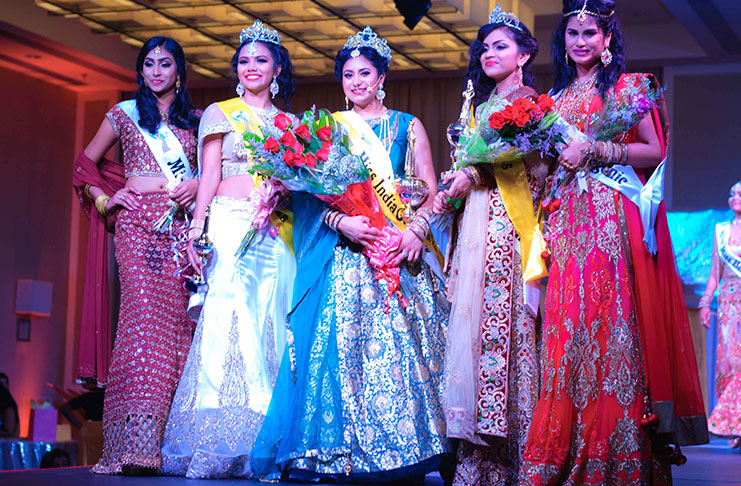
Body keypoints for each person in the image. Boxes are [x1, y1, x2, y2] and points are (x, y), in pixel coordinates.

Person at [520, 1, 708, 484]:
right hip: (565, 224)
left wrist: (598, 148)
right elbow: (549, 168)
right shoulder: (553, 100)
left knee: (610, 322)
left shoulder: (630, 88)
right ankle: (563, 448)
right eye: (572, 33)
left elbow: (655, 149)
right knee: (565, 331)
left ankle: (615, 450)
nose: (580, 41)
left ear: (607, 39)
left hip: (610, 219)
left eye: (590, 33)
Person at [251, 26, 450, 482]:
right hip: (346, 255)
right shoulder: (327, 129)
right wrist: (343, 222)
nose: (356, 82)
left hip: (399, 252)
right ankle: (341, 453)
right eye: (347, 75)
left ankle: (408, 450)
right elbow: (305, 197)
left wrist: (416, 230)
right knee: (344, 354)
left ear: (382, 77)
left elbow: (431, 192)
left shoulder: (408, 125)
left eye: (365, 73)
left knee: (405, 354)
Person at [159, 21, 296, 479]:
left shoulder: (292, 124)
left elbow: (302, 185)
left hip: (275, 230)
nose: (251, 67)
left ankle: (267, 439)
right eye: (243, 60)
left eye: (261, 59)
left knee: (271, 320)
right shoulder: (220, 112)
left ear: (277, 66)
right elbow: (210, 176)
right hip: (229, 223)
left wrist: (283, 192)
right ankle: (218, 441)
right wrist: (198, 229)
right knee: (226, 320)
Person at [75, 37, 201, 475]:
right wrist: (105, 201)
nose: (156, 72)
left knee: (179, 329)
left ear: (178, 71)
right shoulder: (124, 115)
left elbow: (214, 173)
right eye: (148, 64)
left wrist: (197, 186)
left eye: (165, 64)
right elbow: (84, 163)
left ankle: (171, 443)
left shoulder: (198, 121)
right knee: (143, 322)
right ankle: (135, 445)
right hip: (136, 229)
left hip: (181, 229)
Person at [432, 6, 547, 485]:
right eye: (484, 47)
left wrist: (474, 173)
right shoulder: (476, 110)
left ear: (523, 55)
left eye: (501, 45)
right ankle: (477, 460)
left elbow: (537, 171)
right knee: (473, 333)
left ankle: (517, 455)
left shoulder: (533, 106)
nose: (489, 53)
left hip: (508, 229)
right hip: (475, 226)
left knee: (507, 330)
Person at [700, 181, 741, 448]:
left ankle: (734, 423)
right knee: (729, 362)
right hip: (728, 303)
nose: (735, 197)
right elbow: (715, 272)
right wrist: (705, 302)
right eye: (732, 193)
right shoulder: (721, 232)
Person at [58, 385, 105, 465]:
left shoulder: (89, 397)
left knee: (89, 462)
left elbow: (65, 408)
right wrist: (81, 426)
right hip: (103, 431)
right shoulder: (113, 397)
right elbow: (65, 408)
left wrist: (81, 426)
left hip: (92, 431)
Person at [0, 373, 19, 438]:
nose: (4, 386)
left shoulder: (10, 406)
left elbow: (11, 432)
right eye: (1, 384)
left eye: (6, 383)